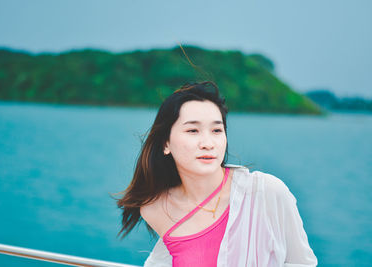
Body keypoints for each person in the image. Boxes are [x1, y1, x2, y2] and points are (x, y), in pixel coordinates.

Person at [117, 81, 318, 266]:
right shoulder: (156, 208)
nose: (208, 144)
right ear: (165, 143)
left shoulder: (266, 193)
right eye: (193, 131)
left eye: (216, 130)